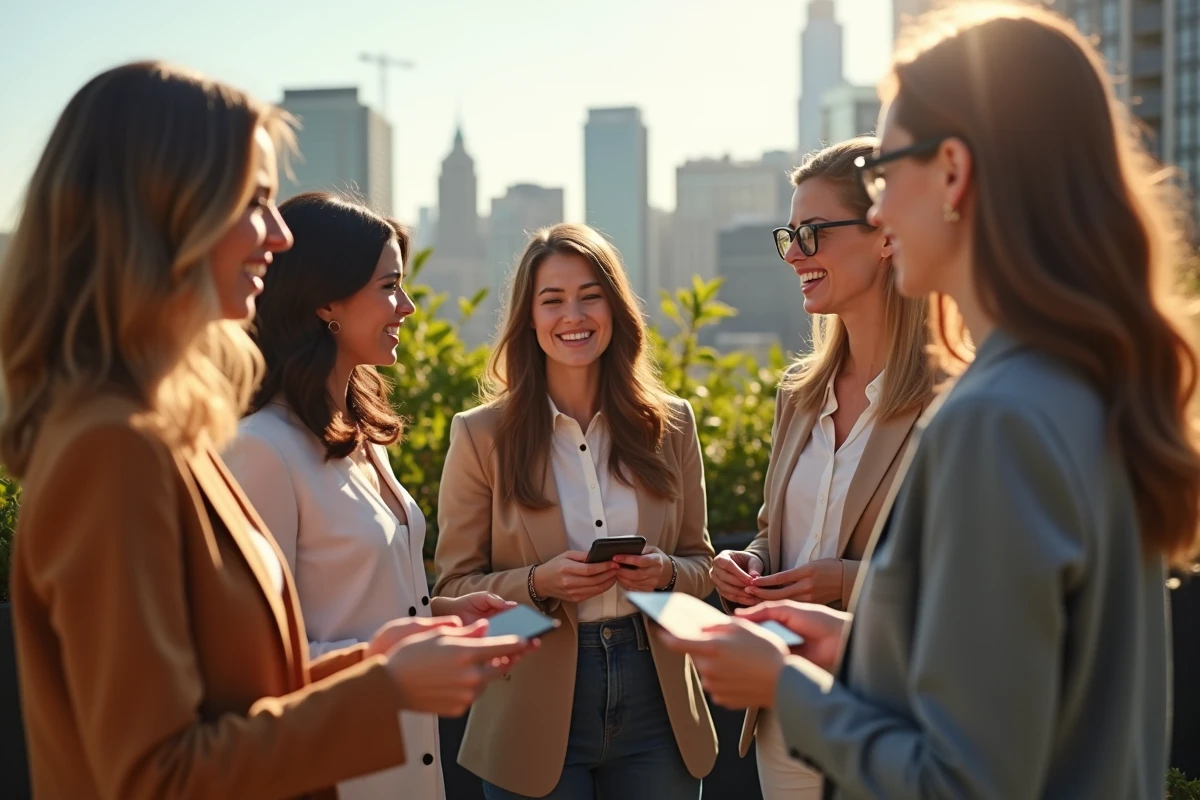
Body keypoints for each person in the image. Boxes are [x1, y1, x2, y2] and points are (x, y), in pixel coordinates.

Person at [662, 4, 1200, 798]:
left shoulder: (996, 418)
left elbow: (963, 782)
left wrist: (783, 688)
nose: (878, 211)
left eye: (884, 176)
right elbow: (1033, 699)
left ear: (952, 172)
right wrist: (858, 645)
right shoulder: (1082, 385)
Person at [0, 61, 528, 799]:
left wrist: (380, 660)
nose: (279, 237)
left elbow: (231, 693)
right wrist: (386, 688)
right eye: (253, 204)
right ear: (165, 214)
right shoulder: (111, 449)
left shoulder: (165, 431)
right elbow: (158, 776)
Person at [223, 190, 516, 800]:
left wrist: (436, 616)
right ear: (325, 298)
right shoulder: (262, 450)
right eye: (389, 286)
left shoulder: (360, 436)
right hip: (337, 775)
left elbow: (357, 602)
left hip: (409, 762)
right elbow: (252, 665)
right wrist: (389, 659)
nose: (407, 307)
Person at [433, 223, 718, 799]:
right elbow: (455, 586)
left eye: (591, 295)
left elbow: (702, 567)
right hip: (531, 697)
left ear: (614, 309)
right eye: (553, 300)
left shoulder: (672, 424)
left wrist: (664, 573)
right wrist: (540, 584)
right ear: (529, 318)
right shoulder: (481, 435)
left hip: (656, 698)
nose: (574, 316)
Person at [709, 137, 935, 799]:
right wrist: (749, 562)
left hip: (887, 724)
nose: (792, 253)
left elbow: (971, 589)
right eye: (789, 232)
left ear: (885, 234)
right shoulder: (799, 396)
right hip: (781, 723)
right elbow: (773, 531)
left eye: (811, 232)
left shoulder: (953, 401)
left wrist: (843, 580)